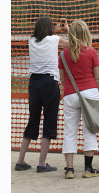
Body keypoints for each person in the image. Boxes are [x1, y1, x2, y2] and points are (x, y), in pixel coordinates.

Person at [16, 17, 68, 173]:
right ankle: (42, 163)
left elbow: (46, 35)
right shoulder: (54, 39)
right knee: (49, 121)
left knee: (33, 120)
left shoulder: (31, 40)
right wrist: (67, 29)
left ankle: (20, 161)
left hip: (34, 83)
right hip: (49, 83)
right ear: (49, 28)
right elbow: (73, 43)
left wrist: (56, 29)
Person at [58, 19, 99, 179]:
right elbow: (97, 77)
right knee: (89, 129)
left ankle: (69, 170)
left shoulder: (63, 54)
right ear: (85, 33)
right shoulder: (91, 52)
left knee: (70, 131)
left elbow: (62, 80)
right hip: (89, 92)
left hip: (70, 94)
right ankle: (88, 169)